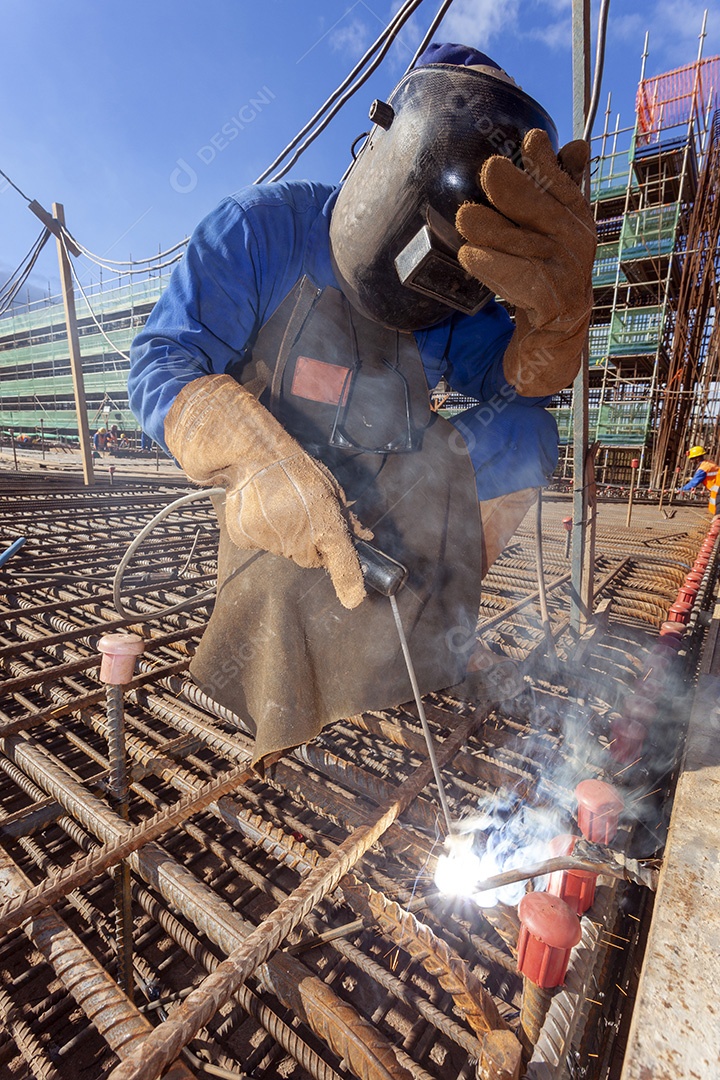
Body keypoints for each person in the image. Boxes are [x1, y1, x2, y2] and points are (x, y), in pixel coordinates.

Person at [128, 42, 596, 768]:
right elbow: (161, 363)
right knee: (283, 611)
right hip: (280, 496)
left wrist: (559, 331)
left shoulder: (459, 295)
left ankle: (437, 633)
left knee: (526, 432)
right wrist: (255, 462)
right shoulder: (261, 228)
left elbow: (517, 389)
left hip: (394, 488)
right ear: (380, 156)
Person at [681, 445, 719, 514]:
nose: (691, 461)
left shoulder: (703, 468)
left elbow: (694, 483)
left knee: (716, 511)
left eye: (692, 459)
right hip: (717, 490)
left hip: (718, 491)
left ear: (697, 458)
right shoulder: (709, 463)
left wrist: (680, 490)